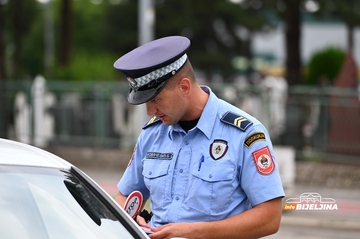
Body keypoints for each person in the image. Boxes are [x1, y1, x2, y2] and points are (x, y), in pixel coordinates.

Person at [113, 35, 285, 239]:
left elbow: (270, 217)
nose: (150, 110)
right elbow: (126, 196)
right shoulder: (152, 134)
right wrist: (131, 218)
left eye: (156, 99)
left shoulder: (246, 134)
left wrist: (195, 232)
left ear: (184, 87)